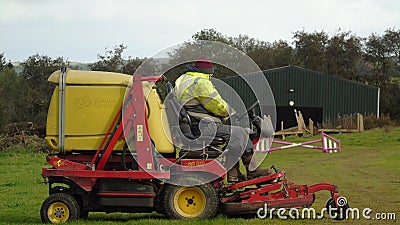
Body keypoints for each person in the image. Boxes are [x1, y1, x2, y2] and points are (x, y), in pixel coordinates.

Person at [174, 56, 271, 182]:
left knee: (234, 135)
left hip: (193, 124)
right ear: (209, 72)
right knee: (240, 133)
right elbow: (217, 105)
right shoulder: (200, 82)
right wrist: (230, 112)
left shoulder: (183, 79)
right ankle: (252, 171)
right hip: (203, 126)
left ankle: (234, 174)